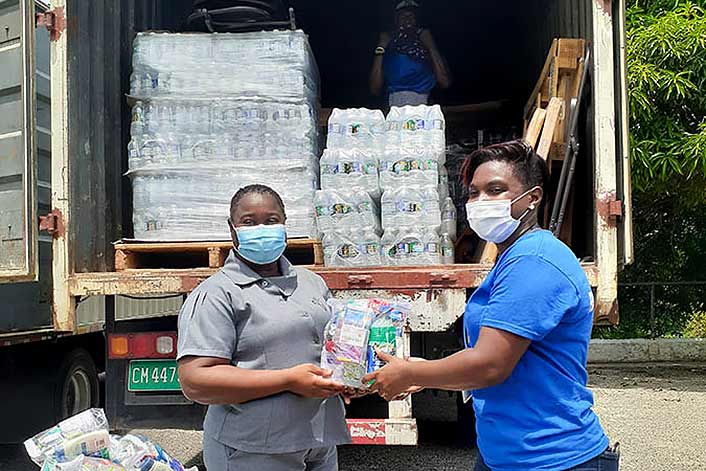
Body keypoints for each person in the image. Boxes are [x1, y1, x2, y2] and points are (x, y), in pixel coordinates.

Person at [362, 141, 620, 470]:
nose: (481, 201)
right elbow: (486, 360)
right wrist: (426, 374)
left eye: (495, 190)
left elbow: (490, 365)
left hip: (553, 457)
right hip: (503, 454)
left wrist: (412, 371)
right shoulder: (511, 258)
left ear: (533, 198)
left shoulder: (536, 260)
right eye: (474, 193)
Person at [177, 184, 351, 471]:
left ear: (284, 225)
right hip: (252, 449)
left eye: (271, 220)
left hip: (318, 442)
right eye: (249, 222)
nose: (261, 229)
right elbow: (195, 380)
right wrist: (287, 380)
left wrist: (351, 377)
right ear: (232, 230)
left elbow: (329, 350)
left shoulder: (310, 283)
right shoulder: (218, 293)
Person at [369, 0, 451, 107]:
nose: (407, 20)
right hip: (394, 109)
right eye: (403, 17)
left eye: (411, 16)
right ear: (396, 21)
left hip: (424, 108)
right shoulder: (389, 51)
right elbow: (374, 89)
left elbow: (445, 82)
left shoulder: (427, 52)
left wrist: (431, 46)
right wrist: (381, 47)